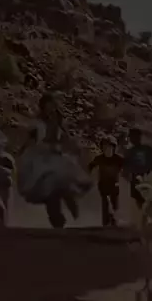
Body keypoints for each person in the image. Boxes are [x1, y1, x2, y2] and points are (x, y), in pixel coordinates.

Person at [18, 93, 91, 228]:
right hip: (41, 157)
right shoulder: (38, 122)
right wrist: (23, 150)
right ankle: (57, 219)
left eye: (52, 105)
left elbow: (65, 138)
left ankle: (75, 216)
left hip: (56, 156)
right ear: (43, 107)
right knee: (49, 189)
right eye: (47, 105)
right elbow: (31, 139)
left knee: (64, 186)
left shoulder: (59, 121)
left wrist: (73, 147)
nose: (50, 108)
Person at [88, 135, 124, 226]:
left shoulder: (118, 159)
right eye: (104, 147)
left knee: (114, 204)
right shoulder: (99, 159)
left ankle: (115, 222)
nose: (107, 149)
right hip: (103, 185)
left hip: (114, 185)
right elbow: (90, 167)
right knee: (105, 204)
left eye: (109, 147)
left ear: (113, 148)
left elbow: (126, 168)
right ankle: (105, 223)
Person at [123, 128, 152, 208]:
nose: (132, 139)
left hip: (148, 178)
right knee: (139, 202)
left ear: (139, 136)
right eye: (131, 137)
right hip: (136, 180)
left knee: (148, 201)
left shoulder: (148, 149)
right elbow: (126, 168)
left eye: (134, 136)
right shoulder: (129, 152)